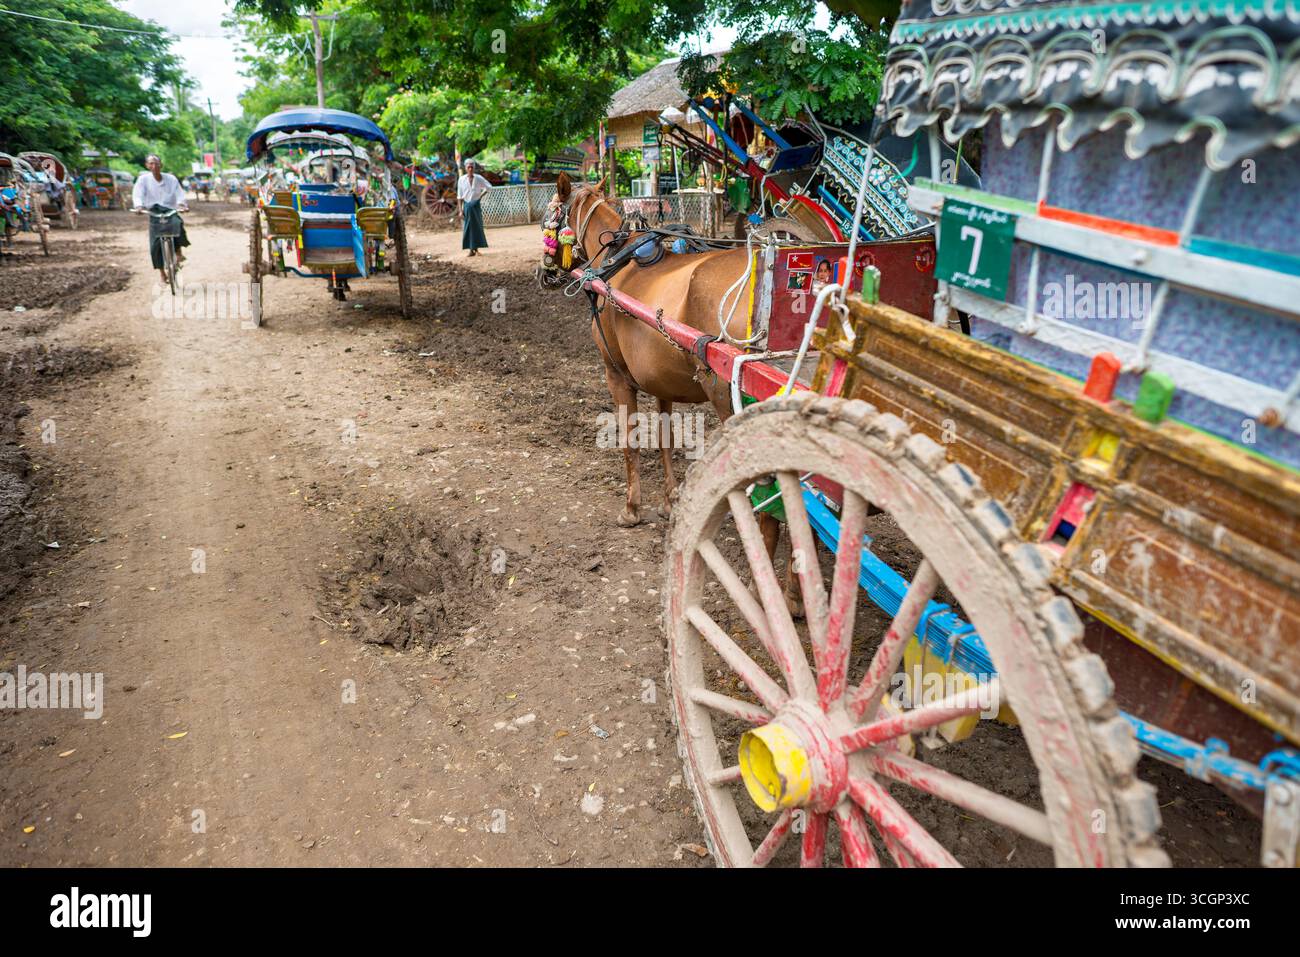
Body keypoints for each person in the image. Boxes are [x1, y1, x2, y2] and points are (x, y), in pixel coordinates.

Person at [131, 155, 190, 282]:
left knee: (177, 223)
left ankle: (178, 252)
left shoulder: (171, 179)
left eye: (157, 163)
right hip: (153, 211)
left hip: (169, 209)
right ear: (147, 165)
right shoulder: (143, 180)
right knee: (155, 244)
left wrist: (181, 204)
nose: (154, 166)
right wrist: (139, 206)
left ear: (161, 165)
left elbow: (179, 193)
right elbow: (137, 194)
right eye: (151, 164)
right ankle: (162, 272)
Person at [457, 159, 490, 256]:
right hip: (467, 206)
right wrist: (460, 211)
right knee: (468, 228)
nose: (470, 169)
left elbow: (489, 187)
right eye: (468, 167)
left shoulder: (479, 178)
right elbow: (459, 197)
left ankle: (475, 249)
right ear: (465, 168)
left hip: (475, 205)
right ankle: (471, 250)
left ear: (474, 168)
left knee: (477, 227)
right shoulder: (461, 180)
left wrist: (480, 196)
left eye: (472, 167)